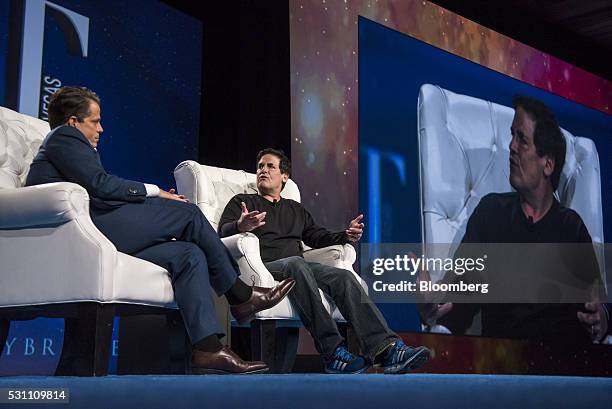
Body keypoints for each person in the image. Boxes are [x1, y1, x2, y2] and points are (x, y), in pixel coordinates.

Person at [25, 86, 296, 374]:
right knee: (189, 215)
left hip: (100, 226)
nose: (101, 128)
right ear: (73, 122)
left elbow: (100, 187)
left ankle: (208, 348)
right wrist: (155, 193)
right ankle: (240, 295)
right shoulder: (63, 138)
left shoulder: (72, 145)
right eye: (95, 120)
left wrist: (151, 196)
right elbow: (102, 186)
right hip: (90, 230)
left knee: (188, 254)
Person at [218, 148, 431, 374]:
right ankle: (332, 352)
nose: (263, 170)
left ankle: (386, 349)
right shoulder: (244, 201)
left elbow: (316, 236)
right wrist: (241, 225)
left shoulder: (295, 209)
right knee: (296, 264)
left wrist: (345, 235)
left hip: (298, 267)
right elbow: (222, 232)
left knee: (344, 277)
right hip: (265, 267)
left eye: (270, 166)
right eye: (260, 166)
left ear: (284, 176)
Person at [418, 95, 609, 344]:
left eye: (522, 140)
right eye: (511, 136)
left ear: (548, 164)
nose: (511, 146)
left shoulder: (570, 227)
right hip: (504, 367)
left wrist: (602, 318)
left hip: (564, 365)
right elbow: (459, 299)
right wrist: (432, 307)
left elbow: (598, 308)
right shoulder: (491, 214)